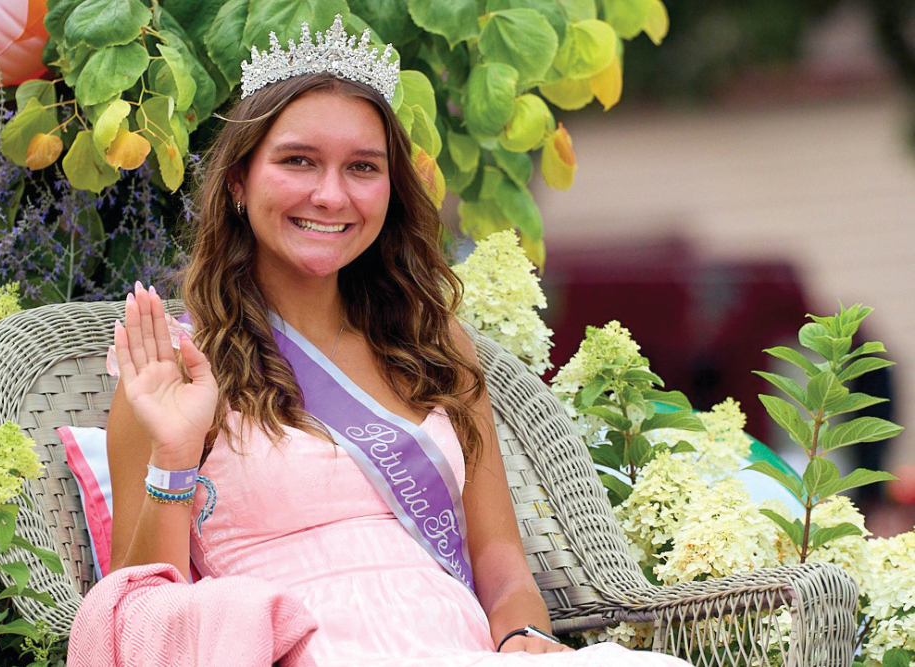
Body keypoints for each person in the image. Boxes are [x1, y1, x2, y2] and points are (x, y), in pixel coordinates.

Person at [104, 16, 692, 666]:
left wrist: (524, 636)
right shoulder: (177, 373)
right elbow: (143, 618)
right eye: (298, 160)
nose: (330, 195)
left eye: (362, 167)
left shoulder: (433, 344)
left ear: (391, 190)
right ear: (240, 181)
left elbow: (501, 567)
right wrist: (175, 451)